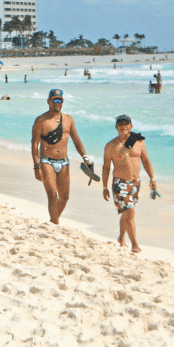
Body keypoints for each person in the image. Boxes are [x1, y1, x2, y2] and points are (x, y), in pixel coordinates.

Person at [30, 88, 92, 225]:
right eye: (54, 100)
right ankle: (56, 225)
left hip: (64, 162)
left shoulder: (69, 120)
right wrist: (36, 166)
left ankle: (53, 221)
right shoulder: (41, 121)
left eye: (60, 100)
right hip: (46, 161)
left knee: (64, 197)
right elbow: (34, 145)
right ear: (48, 101)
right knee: (52, 194)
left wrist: (85, 158)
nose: (57, 103)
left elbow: (76, 140)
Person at [103, 114, 157, 253]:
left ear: (131, 126)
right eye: (120, 124)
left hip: (135, 183)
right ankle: (135, 244)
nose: (123, 127)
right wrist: (104, 187)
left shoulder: (139, 143)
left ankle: (121, 238)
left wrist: (152, 179)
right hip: (120, 183)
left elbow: (146, 161)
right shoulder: (110, 146)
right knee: (130, 213)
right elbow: (106, 167)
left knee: (126, 213)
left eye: (126, 124)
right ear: (116, 127)